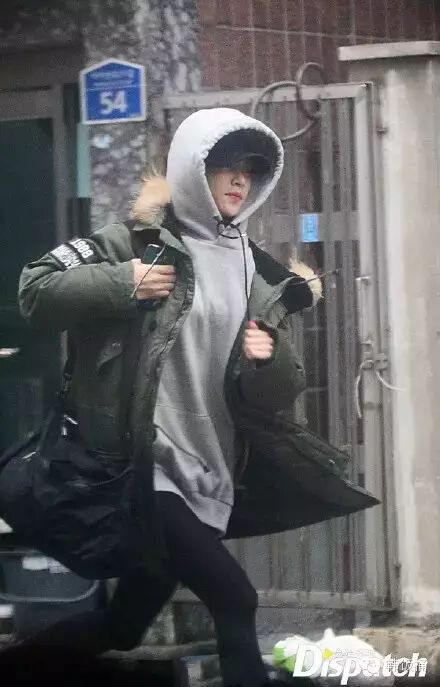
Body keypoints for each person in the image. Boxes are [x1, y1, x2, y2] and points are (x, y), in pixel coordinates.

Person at [12, 107, 322, 687]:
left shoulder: (257, 270)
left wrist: (268, 357)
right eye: (225, 165)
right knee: (235, 597)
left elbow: (278, 392)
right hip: (144, 463)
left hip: (212, 464)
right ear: (191, 169)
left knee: (124, 625)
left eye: (253, 169)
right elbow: (35, 289)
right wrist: (122, 281)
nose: (240, 179)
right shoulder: (133, 241)